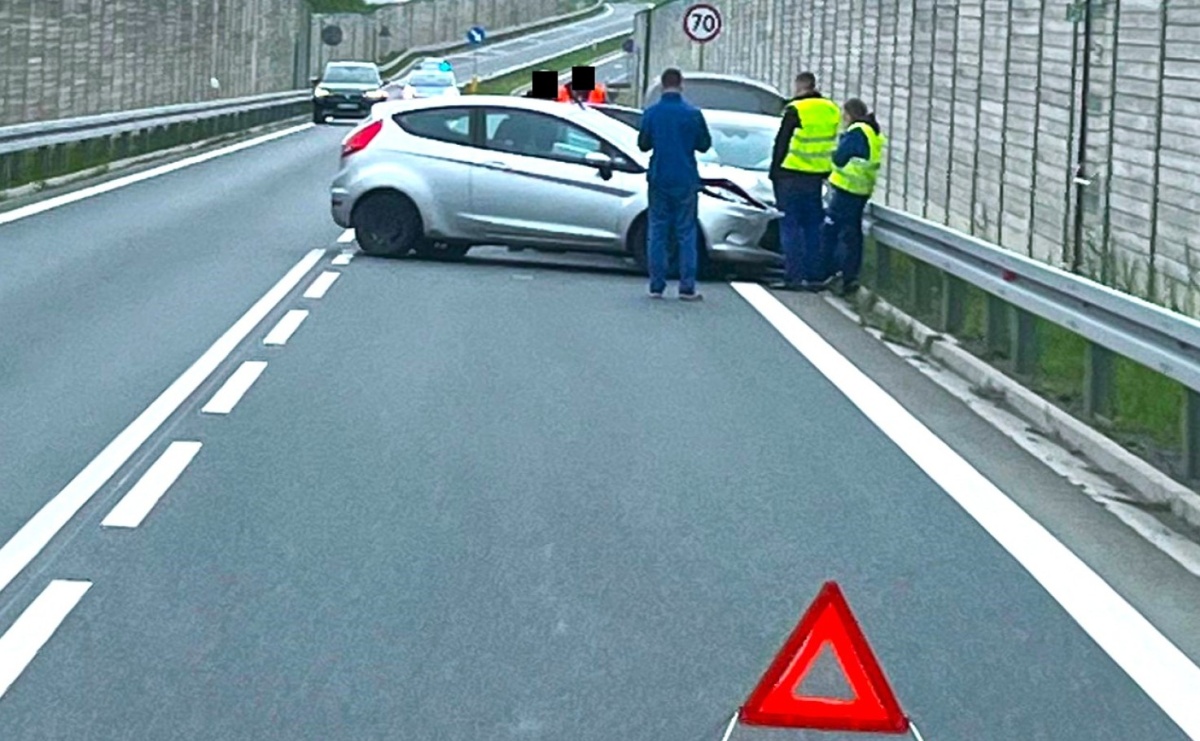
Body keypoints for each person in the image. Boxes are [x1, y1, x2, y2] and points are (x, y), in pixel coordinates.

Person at [637, 68, 713, 300]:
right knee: (686, 232)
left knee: (657, 231)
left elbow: (643, 144)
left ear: (661, 85)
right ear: (681, 85)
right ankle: (687, 287)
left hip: (659, 177)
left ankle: (656, 286)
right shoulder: (693, 114)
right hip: (686, 178)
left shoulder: (652, 113)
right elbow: (704, 145)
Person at [768, 71, 841, 292]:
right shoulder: (831, 110)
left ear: (800, 86)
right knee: (813, 227)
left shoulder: (795, 110)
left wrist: (774, 172)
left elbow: (782, 143)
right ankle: (814, 277)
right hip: (816, 177)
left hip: (790, 175)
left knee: (790, 226)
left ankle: (793, 276)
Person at [822, 98, 886, 297]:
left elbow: (840, 157)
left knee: (831, 230)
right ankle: (849, 277)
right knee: (852, 235)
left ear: (849, 114)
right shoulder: (872, 131)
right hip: (861, 190)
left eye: (844, 115)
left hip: (847, 189)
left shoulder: (857, 131)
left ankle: (828, 273)